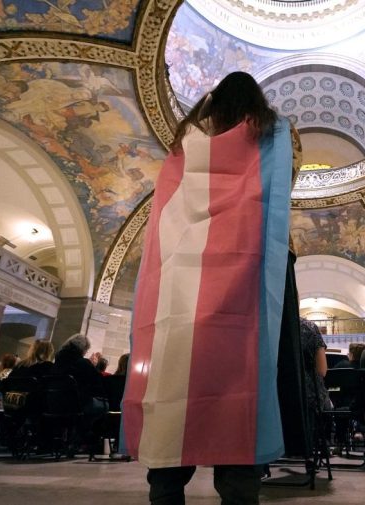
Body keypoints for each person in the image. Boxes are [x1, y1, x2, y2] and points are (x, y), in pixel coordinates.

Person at [123, 71, 300, 505]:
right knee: (241, 387)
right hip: (245, 273)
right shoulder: (273, 131)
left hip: (180, 283)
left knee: (172, 390)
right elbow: (283, 189)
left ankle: (166, 486)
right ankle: (239, 489)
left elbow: (169, 203)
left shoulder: (188, 139)